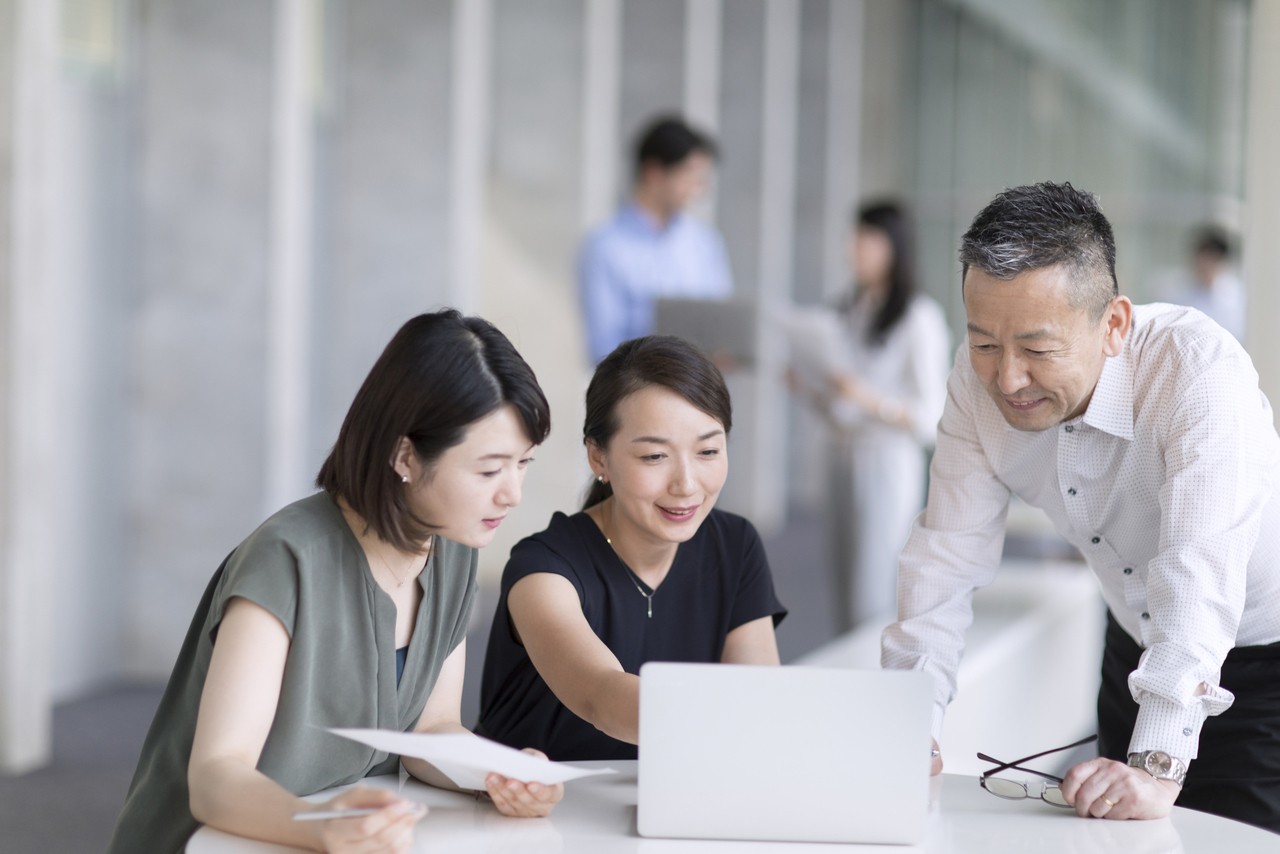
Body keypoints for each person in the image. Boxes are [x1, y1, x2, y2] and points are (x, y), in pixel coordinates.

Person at [881, 182, 1280, 831]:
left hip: (1260, 659)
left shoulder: (1200, 375)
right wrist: (906, 723)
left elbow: (1198, 572)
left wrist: (1156, 761)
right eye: (985, 343)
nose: (1007, 379)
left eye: (1037, 349)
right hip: (1135, 645)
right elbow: (945, 559)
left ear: (1114, 324)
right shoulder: (973, 383)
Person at [108, 311, 563, 854]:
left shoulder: (454, 551)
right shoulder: (287, 559)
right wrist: (322, 825)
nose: (512, 493)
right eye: (489, 470)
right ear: (405, 457)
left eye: (524, 464)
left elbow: (429, 731)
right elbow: (215, 777)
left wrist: (498, 772)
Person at [476, 335, 787, 760]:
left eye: (708, 451)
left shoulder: (735, 546)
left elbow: (759, 697)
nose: (687, 485)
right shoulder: (543, 569)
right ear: (598, 457)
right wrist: (735, 720)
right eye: (655, 457)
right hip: (522, 813)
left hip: (665, 802)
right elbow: (600, 696)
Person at [814, 202, 950, 631]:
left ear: (894, 247)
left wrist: (866, 398)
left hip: (887, 459)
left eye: (866, 239)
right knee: (841, 582)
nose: (854, 249)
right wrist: (813, 389)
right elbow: (840, 402)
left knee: (874, 590)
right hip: (841, 452)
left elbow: (930, 418)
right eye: (854, 238)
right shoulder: (846, 310)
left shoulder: (918, 317)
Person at [578, 116, 733, 364]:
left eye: (701, 181)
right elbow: (602, 348)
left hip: (702, 389)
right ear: (653, 172)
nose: (698, 190)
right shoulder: (604, 246)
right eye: (690, 177)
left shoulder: (705, 243)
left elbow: (723, 323)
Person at [1158, 226, 1245, 343]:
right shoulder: (1174, 292)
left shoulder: (1237, 296)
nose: (1208, 264)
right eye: (1205, 257)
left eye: (1214, 258)